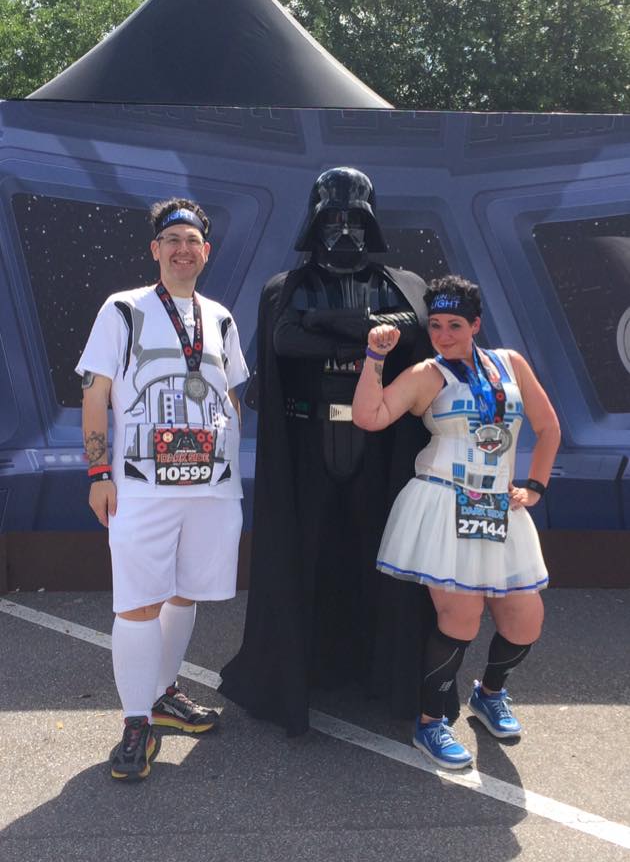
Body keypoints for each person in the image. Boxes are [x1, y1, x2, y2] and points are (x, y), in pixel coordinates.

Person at [220, 166, 456, 735]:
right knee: (305, 554)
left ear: (370, 223)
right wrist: (369, 334)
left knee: (386, 558)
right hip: (308, 444)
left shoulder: (405, 283)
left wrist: (324, 323)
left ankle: (385, 676)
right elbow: (286, 341)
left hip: (383, 448)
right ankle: (298, 676)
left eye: (355, 219)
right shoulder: (287, 286)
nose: (344, 230)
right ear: (316, 222)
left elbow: (416, 329)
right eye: (334, 219)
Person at [352, 274, 561, 769]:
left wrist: (535, 486)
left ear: (476, 325)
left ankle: (490, 694)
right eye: (436, 325)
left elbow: (548, 426)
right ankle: (430, 723)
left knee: (525, 621)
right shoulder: (427, 373)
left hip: (499, 509)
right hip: (444, 505)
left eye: (455, 325)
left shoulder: (510, 363)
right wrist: (375, 358)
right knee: (460, 618)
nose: (443, 335)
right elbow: (369, 417)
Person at [77, 198, 249, 781]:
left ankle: (163, 694)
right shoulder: (122, 309)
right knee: (139, 600)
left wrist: (230, 468)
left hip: (211, 488)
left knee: (185, 593)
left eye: (192, 241)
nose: (182, 249)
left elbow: (230, 395)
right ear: (155, 249)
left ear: (206, 251)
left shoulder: (220, 317)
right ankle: (136, 723)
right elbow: (96, 394)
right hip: (141, 486)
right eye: (171, 239)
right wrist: (99, 474)